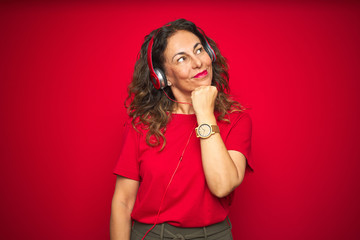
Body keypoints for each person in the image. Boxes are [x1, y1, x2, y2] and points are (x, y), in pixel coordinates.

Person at [110, 19, 253, 240]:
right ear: (162, 77)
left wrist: (205, 114)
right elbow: (123, 201)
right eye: (182, 58)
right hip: (151, 235)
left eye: (199, 50)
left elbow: (222, 186)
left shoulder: (235, 119)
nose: (198, 63)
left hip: (213, 235)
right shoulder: (141, 125)